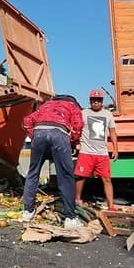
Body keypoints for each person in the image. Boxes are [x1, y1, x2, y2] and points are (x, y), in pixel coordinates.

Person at [21, 94, 85, 229]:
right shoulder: (73, 106)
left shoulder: (46, 105)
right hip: (59, 135)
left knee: (33, 173)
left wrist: (35, 137)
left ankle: (27, 212)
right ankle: (70, 218)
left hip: (39, 133)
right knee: (66, 176)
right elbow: (78, 125)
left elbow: (27, 121)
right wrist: (72, 141)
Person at [75, 89, 118, 210]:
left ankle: (111, 205)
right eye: (93, 100)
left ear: (102, 101)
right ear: (90, 101)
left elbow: (113, 132)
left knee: (107, 179)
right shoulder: (84, 113)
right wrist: (76, 143)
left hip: (102, 153)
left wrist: (115, 149)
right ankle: (77, 199)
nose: (96, 103)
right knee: (81, 176)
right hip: (86, 152)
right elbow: (77, 129)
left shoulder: (107, 114)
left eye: (98, 100)